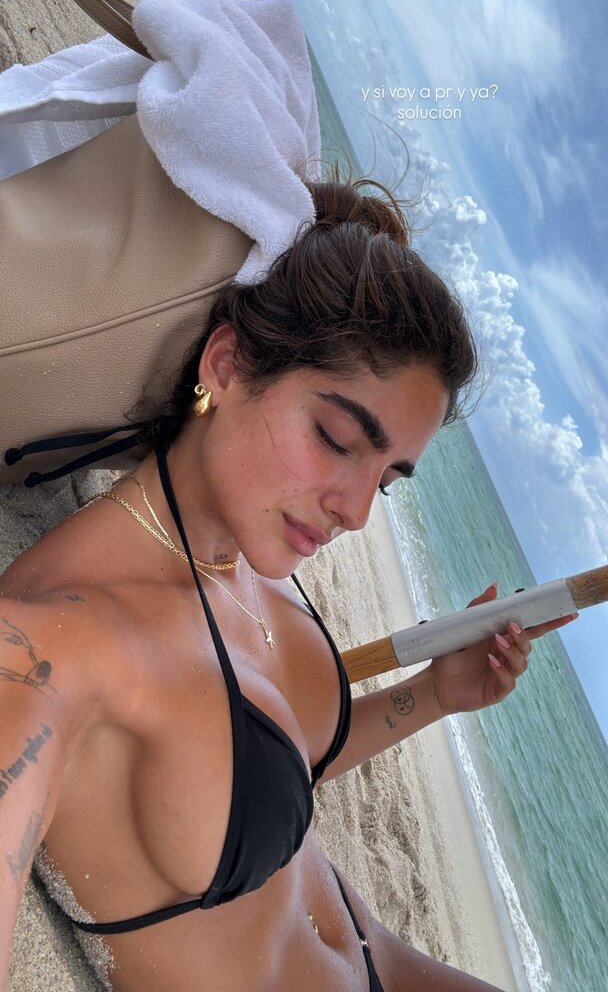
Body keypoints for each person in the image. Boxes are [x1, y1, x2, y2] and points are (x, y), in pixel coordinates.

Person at [0, 175, 575, 992]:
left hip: (391, 964)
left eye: (387, 480)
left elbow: (266, 764)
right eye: (338, 438)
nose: (356, 512)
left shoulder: (244, 564)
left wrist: (433, 695)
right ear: (227, 366)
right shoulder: (57, 645)